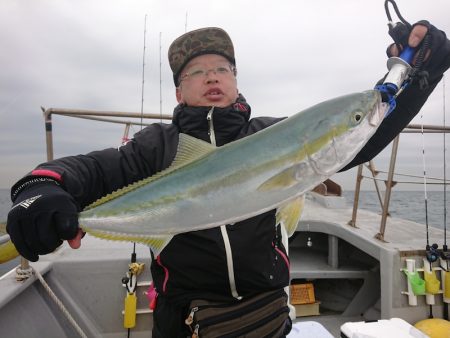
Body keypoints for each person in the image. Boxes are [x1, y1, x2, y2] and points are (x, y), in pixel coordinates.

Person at [6, 22, 450, 337]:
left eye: (222, 68)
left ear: (236, 81)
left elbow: (360, 139)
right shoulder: (158, 146)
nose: (212, 76)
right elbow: (94, 169)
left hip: (270, 315)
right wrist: (43, 186)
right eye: (195, 72)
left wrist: (418, 81)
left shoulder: (274, 136)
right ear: (179, 92)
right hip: (183, 321)